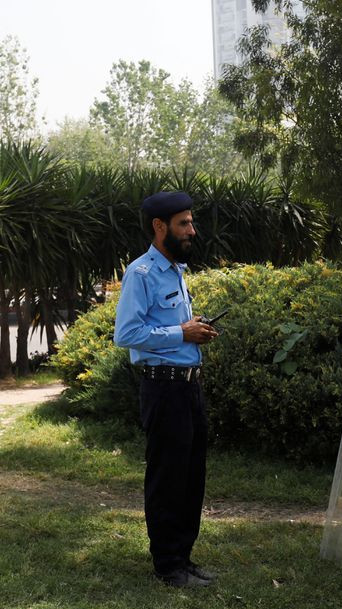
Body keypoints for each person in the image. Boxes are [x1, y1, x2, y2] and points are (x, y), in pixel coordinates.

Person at [114, 191, 220, 588]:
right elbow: (127, 334)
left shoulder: (175, 269)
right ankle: (167, 564)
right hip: (163, 391)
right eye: (184, 223)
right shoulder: (140, 273)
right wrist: (181, 331)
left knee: (192, 477)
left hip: (189, 389)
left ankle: (184, 557)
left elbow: (170, 331)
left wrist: (195, 331)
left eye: (191, 222)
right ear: (160, 227)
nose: (192, 230)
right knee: (168, 478)